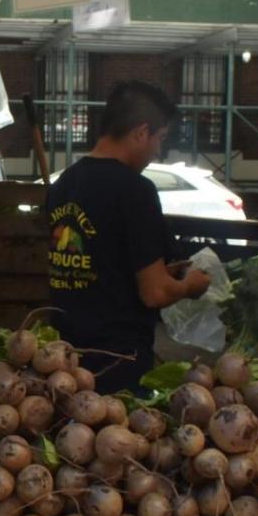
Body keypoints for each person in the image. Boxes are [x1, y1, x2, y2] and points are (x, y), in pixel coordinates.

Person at [47, 81, 210, 394]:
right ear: (140, 132)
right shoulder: (135, 190)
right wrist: (191, 286)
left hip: (64, 361)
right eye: (159, 139)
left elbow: (105, 259)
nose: (157, 151)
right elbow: (155, 293)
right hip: (119, 362)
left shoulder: (63, 184)